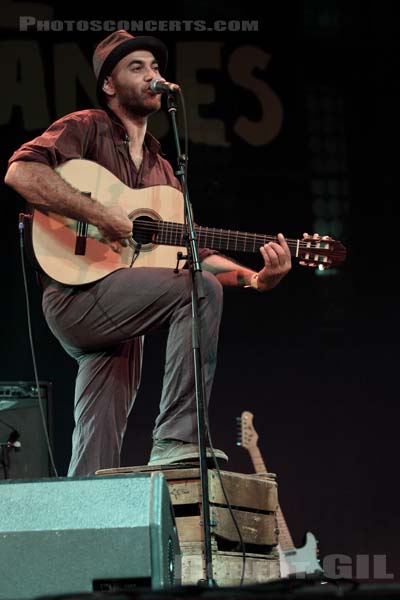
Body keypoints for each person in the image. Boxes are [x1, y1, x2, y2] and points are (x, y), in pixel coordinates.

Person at [4, 30, 292, 477]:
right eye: (136, 68)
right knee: (199, 291)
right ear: (109, 85)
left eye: (155, 68)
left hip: (120, 310)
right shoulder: (87, 127)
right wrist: (98, 212)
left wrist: (257, 279)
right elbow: (21, 173)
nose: (152, 75)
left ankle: (85, 516)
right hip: (73, 295)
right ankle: (176, 437)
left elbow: (196, 253)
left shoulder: (164, 170)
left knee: (99, 434)